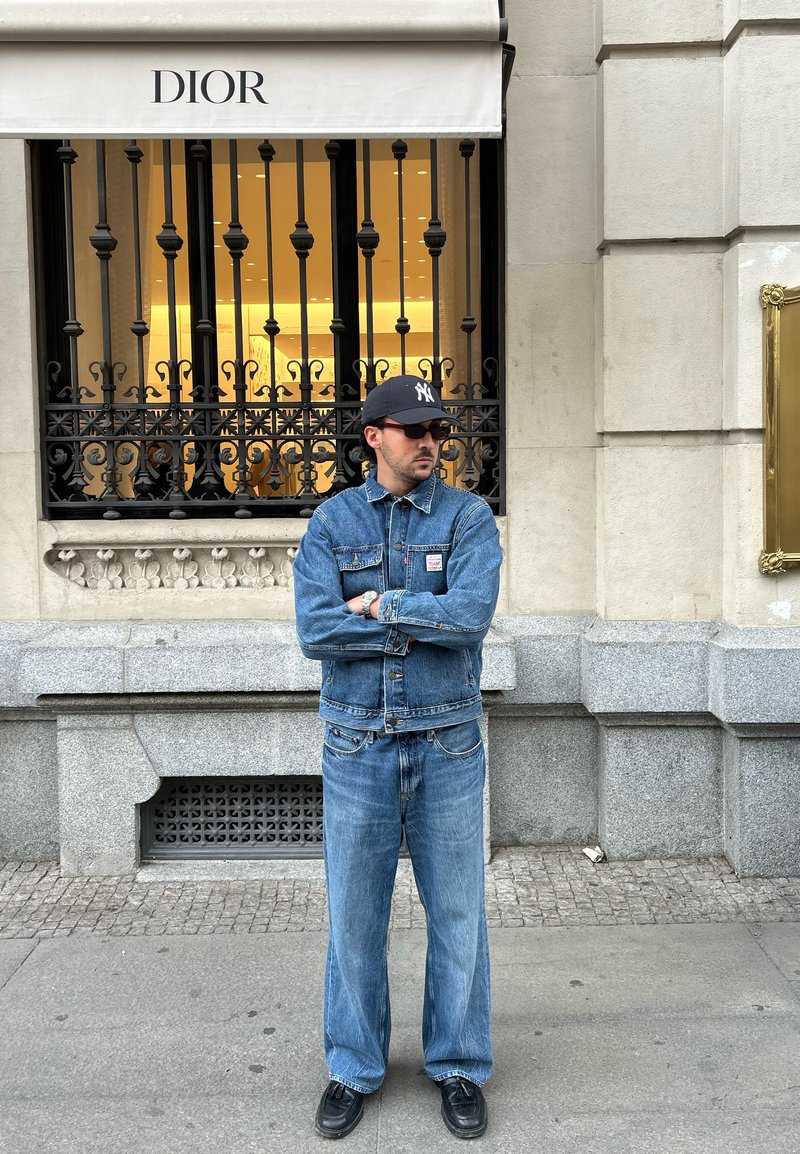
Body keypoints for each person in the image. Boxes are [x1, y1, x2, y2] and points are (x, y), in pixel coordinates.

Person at [293, 374, 503, 1140]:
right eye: (413, 430)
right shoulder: (331, 522)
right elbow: (315, 630)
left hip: (448, 742)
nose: (429, 444)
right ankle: (353, 1066)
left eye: (436, 431)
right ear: (373, 436)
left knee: (457, 915)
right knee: (355, 918)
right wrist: (425, 618)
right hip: (356, 746)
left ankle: (458, 1066)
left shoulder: (469, 518)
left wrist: (380, 604)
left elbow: (472, 617)